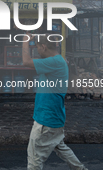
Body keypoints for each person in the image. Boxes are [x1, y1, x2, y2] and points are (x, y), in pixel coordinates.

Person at [22, 33, 88, 170]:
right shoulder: (57, 61)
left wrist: (25, 41)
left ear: (44, 47)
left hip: (45, 120)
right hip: (56, 118)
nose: (37, 51)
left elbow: (26, 61)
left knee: (34, 160)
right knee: (61, 147)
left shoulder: (54, 62)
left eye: (38, 48)